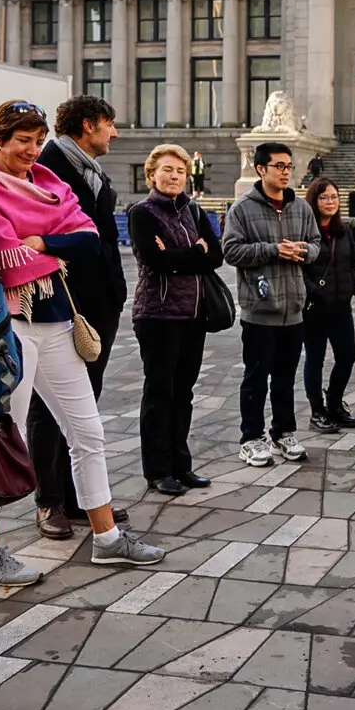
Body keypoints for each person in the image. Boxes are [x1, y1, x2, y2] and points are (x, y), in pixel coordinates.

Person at [0, 101, 165, 580]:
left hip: (56, 321)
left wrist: (40, 243)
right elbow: (3, 255)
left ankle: (107, 537)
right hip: (10, 324)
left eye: (36, 140)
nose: (31, 151)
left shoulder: (51, 184)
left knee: (88, 433)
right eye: (21, 141)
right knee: (0, 436)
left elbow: (89, 238)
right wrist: (50, 241)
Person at [28, 96, 129, 541]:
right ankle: (48, 501)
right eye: (109, 125)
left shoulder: (92, 170)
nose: (115, 133)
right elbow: (47, 237)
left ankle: (78, 497)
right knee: (49, 408)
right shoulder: (47, 168)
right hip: (62, 301)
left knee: (85, 403)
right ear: (88, 126)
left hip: (99, 302)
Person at [127, 144, 223, 496]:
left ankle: (181, 465)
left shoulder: (194, 210)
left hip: (193, 315)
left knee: (183, 393)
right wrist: (193, 253)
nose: (174, 176)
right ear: (152, 174)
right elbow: (155, 260)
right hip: (157, 314)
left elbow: (216, 256)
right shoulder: (142, 213)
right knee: (159, 393)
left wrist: (186, 255)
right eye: (167, 170)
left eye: (180, 171)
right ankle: (157, 470)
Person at [222, 141, 321, 467]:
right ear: (260, 169)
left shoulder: (301, 208)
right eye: (279, 166)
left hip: (293, 309)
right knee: (255, 377)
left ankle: (283, 432)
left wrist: (303, 251)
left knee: (284, 377)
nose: (285, 172)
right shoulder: (242, 209)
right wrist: (272, 249)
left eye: (288, 166)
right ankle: (251, 438)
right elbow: (231, 251)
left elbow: (317, 244)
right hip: (259, 309)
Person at [302, 178, 355, 433]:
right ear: (314, 201)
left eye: (334, 197)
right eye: (324, 197)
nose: (330, 202)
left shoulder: (343, 229)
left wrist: (354, 284)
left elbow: (353, 261)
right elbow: (298, 268)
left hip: (341, 305)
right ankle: (317, 411)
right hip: (315, 308)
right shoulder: (306, 231)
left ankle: (335, 403)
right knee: (315, 359)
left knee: (347, 356)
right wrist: (314, 291)